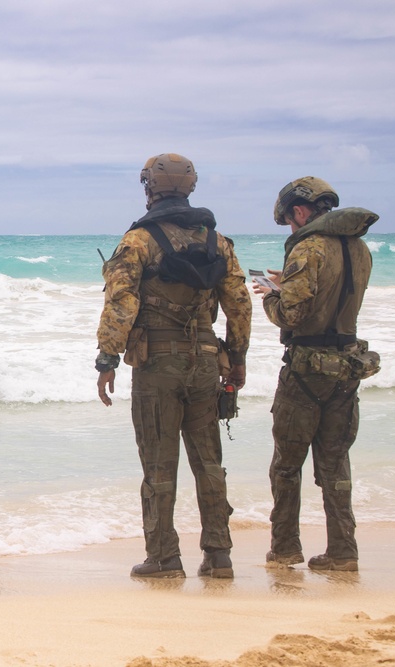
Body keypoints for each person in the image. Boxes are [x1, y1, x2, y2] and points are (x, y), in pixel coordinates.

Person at [95, 153, 252, 579]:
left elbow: (120, 303)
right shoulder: (217, 242)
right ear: (191, 186)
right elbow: (239, 304)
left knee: (159, 464)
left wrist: (107, 360)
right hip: (205, 363)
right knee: (208, 461)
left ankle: (164, 558)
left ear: (149, 188)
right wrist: (236, 360)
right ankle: (219, 555)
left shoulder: (138, 242)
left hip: (157, 367)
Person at [253, 177, 378, 572]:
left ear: (300, 211)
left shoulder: (308, 247)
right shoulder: (360, 248)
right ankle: (343, 551)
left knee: (287, 466)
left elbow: (293, 315)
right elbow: (333, 297)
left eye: (290, 219)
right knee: (336, 463)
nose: (292, 227)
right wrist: (286, 283)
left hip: (306, 372)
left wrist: (272, 293)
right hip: (347, 368)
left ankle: (285, 548)